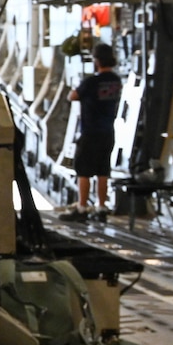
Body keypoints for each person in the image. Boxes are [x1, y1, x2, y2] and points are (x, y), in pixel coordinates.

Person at [67, 42, 124, 220]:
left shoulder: (91, 81)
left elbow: (73, 96)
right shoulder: (116, 81)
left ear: (97, 60)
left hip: (90, 132)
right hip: (108, 132)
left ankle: (82, 208)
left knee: (83, 171)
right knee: (102, 172)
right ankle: (101, 208)